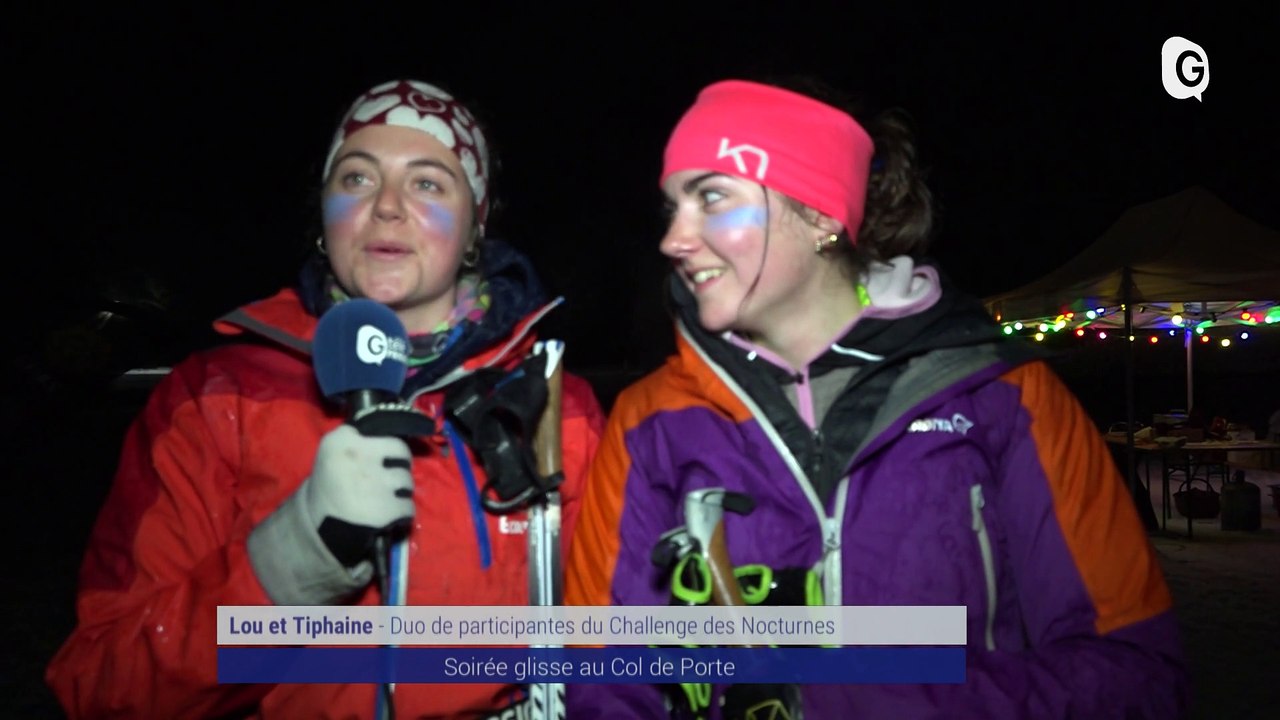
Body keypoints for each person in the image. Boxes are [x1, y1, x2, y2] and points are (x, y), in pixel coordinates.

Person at [565, 78, 1188, 719]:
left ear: (820, 215)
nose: (673, 239)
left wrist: (864, 698)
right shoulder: (652, 420)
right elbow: (606, 675)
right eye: (673, 207)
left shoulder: (1004, 398)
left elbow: (1137, 675)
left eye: (713, 198)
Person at [45, 79, 604, 719]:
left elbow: (616, 653)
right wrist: (288, 565)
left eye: (427, 183)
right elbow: (102, 688)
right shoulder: (215, 401)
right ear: (323, 215)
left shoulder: (559, 405)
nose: (387, 206)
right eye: (357, 178)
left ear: (475, 226)